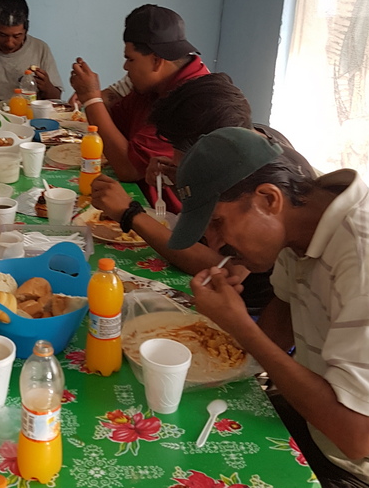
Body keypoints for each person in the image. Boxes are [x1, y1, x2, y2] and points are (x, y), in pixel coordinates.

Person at [168, 126, 369, 488]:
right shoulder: (303, 225)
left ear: (268, 199)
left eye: (218, 223)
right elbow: (279, 321)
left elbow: (358, 436)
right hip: (329, 430)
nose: (215, 244)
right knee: (191, 437)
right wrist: (235, 332)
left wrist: (239, 326)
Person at [90, 73, 315, 315]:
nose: (173, 157)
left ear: (214, 145)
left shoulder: (264, 178)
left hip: (247, 307)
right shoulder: (252, 141)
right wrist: (186, 183)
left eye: (179, 151)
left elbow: (226, 268)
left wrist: (130, 214)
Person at [70, 4, 209, 207]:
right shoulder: (154, 86)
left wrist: (91, 98)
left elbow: (129, 169)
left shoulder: (191, 100)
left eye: (130, 59)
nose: (125, 66)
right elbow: (114, 123)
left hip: (166, 215)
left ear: (156, 61)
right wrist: (95, 100)